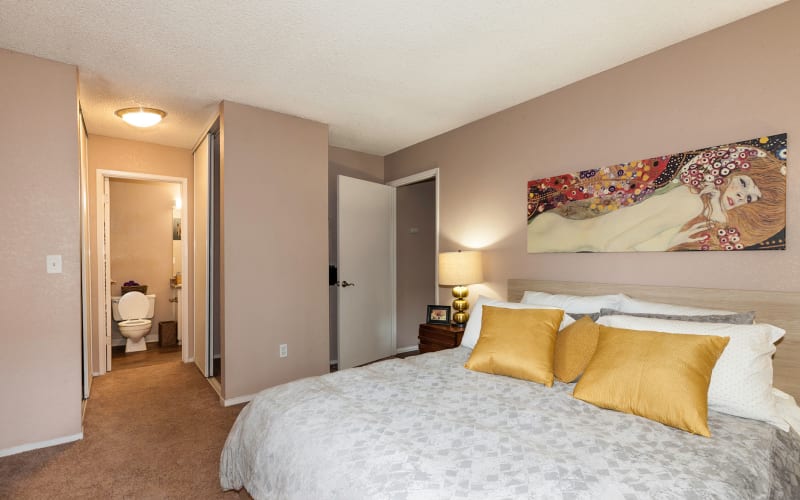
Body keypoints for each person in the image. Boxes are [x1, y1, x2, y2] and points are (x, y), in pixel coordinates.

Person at [527, 144, 785, 252]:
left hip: (556, 232)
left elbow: (631, 238)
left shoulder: (692, 200)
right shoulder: (690, 201)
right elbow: (614, 247)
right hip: (554, 236)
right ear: (727, 172)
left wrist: (677, 239)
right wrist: (673, 241)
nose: (742, 196)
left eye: (751, 198)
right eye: (743, 184)